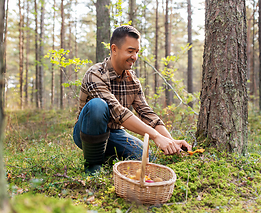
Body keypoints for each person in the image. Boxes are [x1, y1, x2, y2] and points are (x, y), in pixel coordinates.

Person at [73, 25, 191, 174]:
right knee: (97, 105)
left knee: (147, 157)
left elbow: (147, 113)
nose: (134, 57)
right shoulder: (95, 74)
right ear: (114, 49)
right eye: (130, 51)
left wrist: (170, 141)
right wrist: (155, 136)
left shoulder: (132, 80)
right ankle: (93, 167)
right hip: (85, 131)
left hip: (115, 133)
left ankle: (108, 158)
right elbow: (119, 112)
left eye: (136, 52)